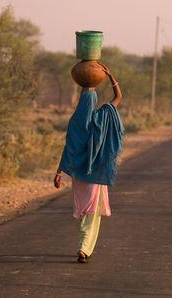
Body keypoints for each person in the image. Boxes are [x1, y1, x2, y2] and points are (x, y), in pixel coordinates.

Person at [54, 62, 123, 264]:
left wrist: (59, 171)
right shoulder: (102, 116)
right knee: (93, 212)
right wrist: (110, 77)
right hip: (96, 173)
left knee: (83, 209)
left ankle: (83, 244)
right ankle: (84, 248)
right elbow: (118, 98)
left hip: (79, 175)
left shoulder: (75, 122)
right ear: (93, 102)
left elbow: (69, 148)